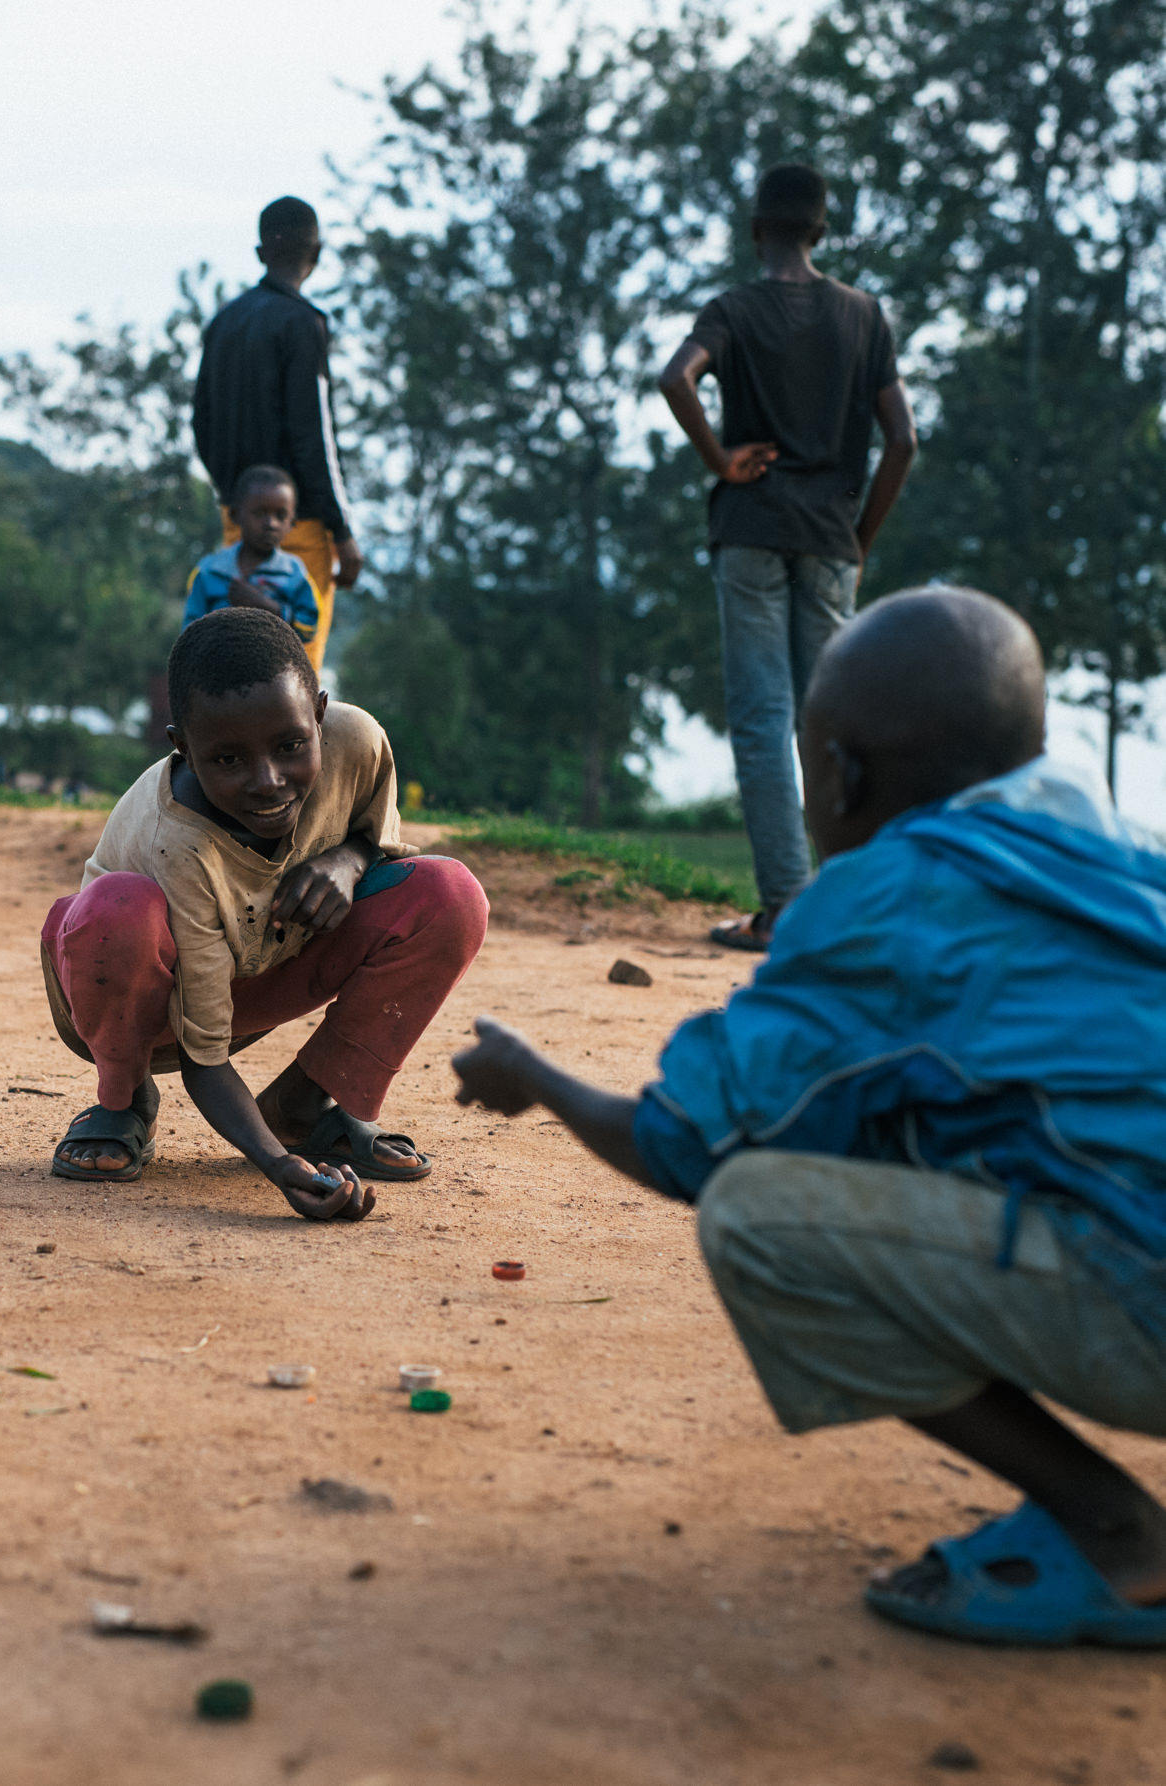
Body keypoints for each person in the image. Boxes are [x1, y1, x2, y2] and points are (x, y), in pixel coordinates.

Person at [452, 585, 1166, 1648]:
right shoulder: (1124, 860)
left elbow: (683, 1141)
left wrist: (539, 1078)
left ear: (839, 775)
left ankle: (1119, 1537)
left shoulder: (886, 898)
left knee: (755, 1214)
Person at [40, 608, 488, 1207]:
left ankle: (311, 1104)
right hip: (136, 1002)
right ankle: (123, 1102)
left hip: (262, 974)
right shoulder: (176, 841)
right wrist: (279, 1168)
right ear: (184, 748)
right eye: (228, 760)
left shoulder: (357, 742)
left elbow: (376, 840)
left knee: (448, 895)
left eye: (290, 746)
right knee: (119, 908)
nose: (268, 781)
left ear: (320, 717)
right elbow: (205, 1058)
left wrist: (347, 861)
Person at [657, 162, 917, 952]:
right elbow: (903, 441)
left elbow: (677, 377)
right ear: (821, 230)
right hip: (832, 535)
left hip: (753, 529)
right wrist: (859, 542)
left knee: (765, 722)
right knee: (832, 723)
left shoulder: (734, 309)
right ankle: (850, 908)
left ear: (755, 229)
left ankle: (784, 910)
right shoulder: (864, 316)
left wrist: (720, 459)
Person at [191, 196, 365, 679]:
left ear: (259, 252)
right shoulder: (304, 323)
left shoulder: (223, 322)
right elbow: (315, 438)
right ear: (318, 252)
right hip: (301, 528)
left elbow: (201, 425)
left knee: (242, 669)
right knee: (295, 674)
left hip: (238, 523)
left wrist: (237, 498)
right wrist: (343, 532)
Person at [182, 465, 320, 648]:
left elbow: (309, 628)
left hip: (274, 672)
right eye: (260, 513)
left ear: (292, 522)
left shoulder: (294, 573)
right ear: (235, 514)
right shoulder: (208, 572)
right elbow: (189, 633)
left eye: (281, 515)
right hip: (217, 670)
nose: (270, 524)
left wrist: (268, 607)